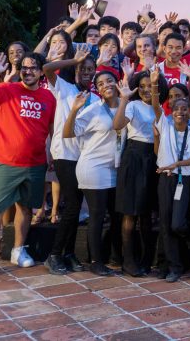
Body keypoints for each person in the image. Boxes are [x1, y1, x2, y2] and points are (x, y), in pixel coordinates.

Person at [0, 52, 56, 278]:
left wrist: (52, 154)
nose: (28, 71)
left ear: (41, 71)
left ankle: (18, 249)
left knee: (26, 209)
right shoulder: (7, 90)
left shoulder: (49, 97)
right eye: (24, 67)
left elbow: (51, 128)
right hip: (5, 161)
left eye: (33, 67)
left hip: (35, 163)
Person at [41, 45, 96, 274]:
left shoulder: (94, 97)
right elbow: (47, 67)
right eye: (83, 68)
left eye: (90, 69)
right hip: (64, 153)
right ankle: (53, 254)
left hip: (83, 157)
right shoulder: (63, 87)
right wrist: (74, 60)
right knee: (72, 204)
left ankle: (69, 253)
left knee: (74, 206)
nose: (86, 71)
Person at [64, 70, 122, 276]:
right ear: (97, 89)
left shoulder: (126, 106)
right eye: (100, 83)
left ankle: (114, 257)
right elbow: (68, 133)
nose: (106, 85)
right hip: (94, 167)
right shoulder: (94, 110)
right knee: (97, 215)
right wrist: (74, 110)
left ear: (117, 83)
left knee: (117, 215)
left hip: (115, 168)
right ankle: (96, 262)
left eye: (109, 81)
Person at [113, 68, 163, 277]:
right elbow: (116, 125)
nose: (145, 90)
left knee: (146, 214)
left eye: (149, 86)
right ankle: (129, 260)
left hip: (153, 158)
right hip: (133, 157)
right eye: (141, 87)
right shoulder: (132, 105)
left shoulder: (160, 107)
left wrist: (155, 85)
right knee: (130, 212)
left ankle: (146, 259)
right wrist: (124, 99)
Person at [154, 95, 190, 282]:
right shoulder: (165, 127)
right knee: (166, 224)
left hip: (183, 180)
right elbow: (155, 106)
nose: (180, 112)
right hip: (166, 180)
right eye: (176, 109)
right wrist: (153, 86)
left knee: (177, 224)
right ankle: (174, 267)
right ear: (171, 111)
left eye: (184, 109)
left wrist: (177, 163)